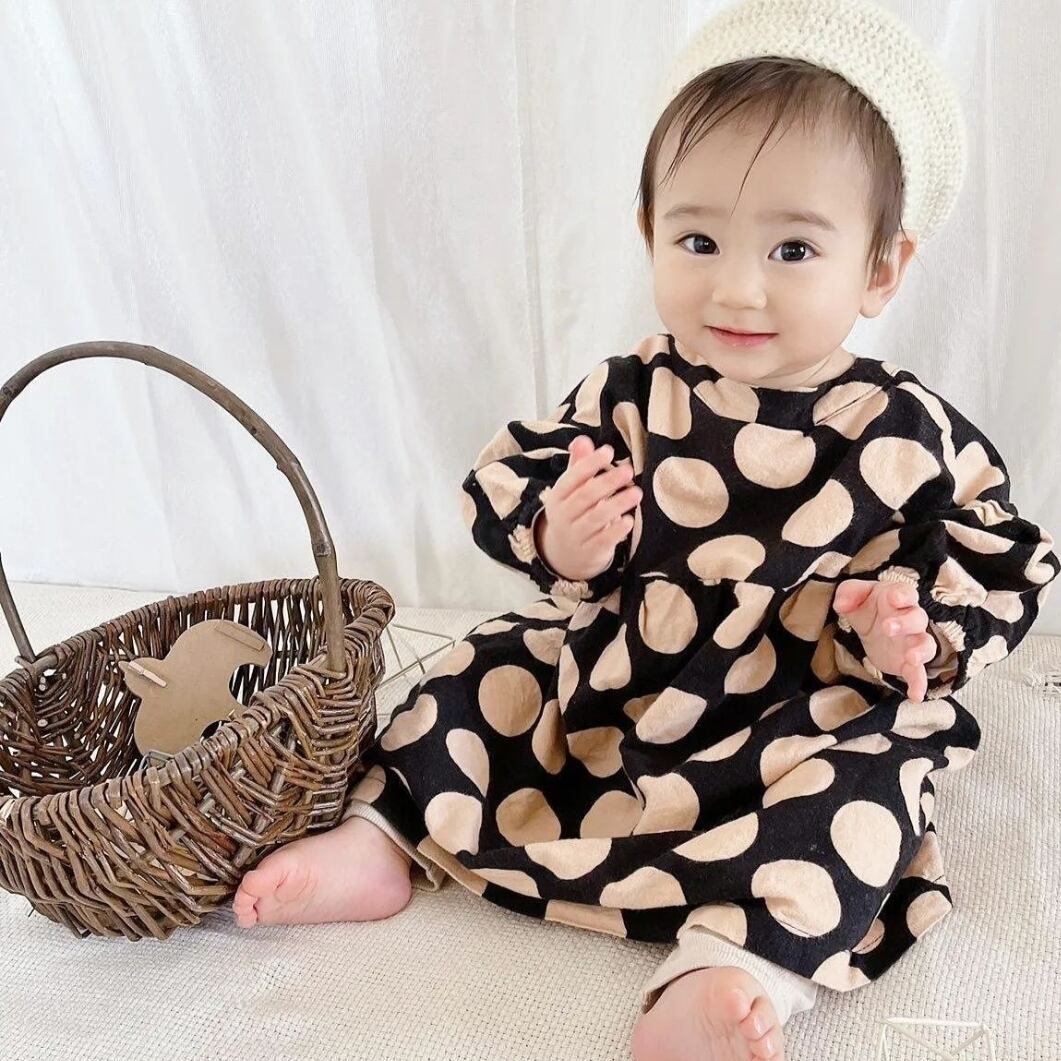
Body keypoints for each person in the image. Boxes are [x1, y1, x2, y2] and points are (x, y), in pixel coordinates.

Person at [232, 1, 1060, 1058]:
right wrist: (562, 540)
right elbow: (525, 489)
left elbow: (991, 556)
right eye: (698, 239)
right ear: (647, 230)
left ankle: (729, 965)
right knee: (478, 670)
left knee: (872, 785)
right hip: (614, 694)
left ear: (878, 268)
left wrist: (909, 629)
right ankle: (381, 836)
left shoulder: (902, 432)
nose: (737, 286)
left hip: (798, 719)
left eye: (793, 247)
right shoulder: (631, 392)